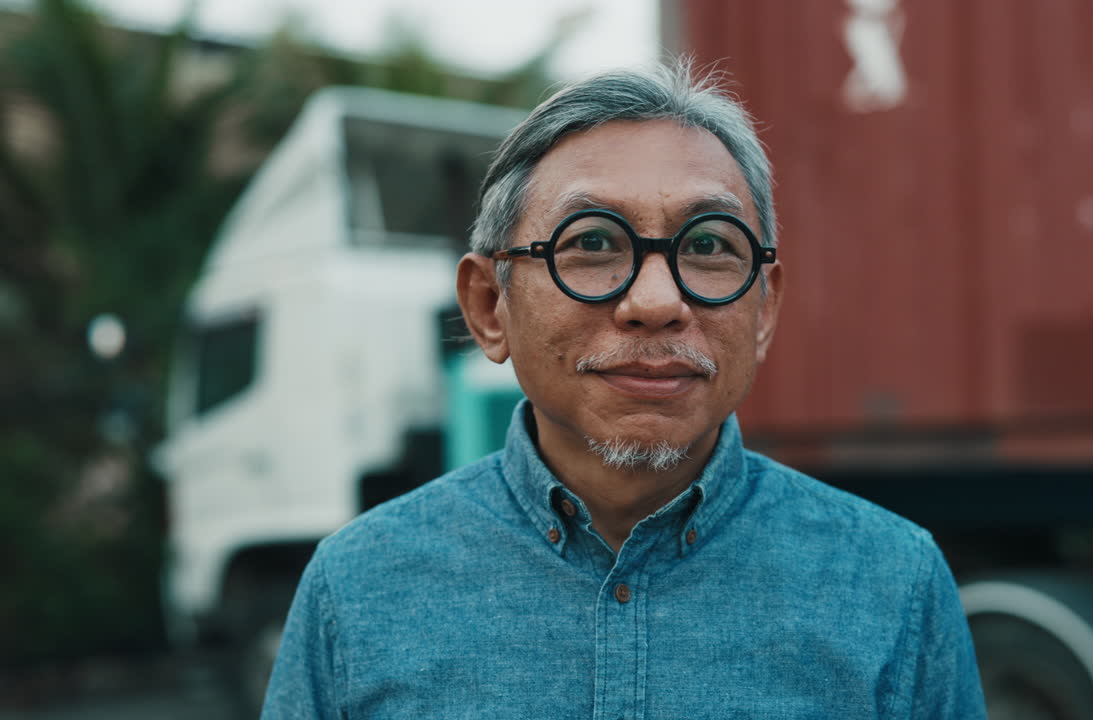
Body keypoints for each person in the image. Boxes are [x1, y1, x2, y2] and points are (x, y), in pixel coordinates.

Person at [262, 62, 986, 718]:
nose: (656, 300)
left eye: (707, 246)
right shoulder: (359, 591)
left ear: (763, 310)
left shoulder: (893, 585)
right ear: (489, 306)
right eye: (594, 242)